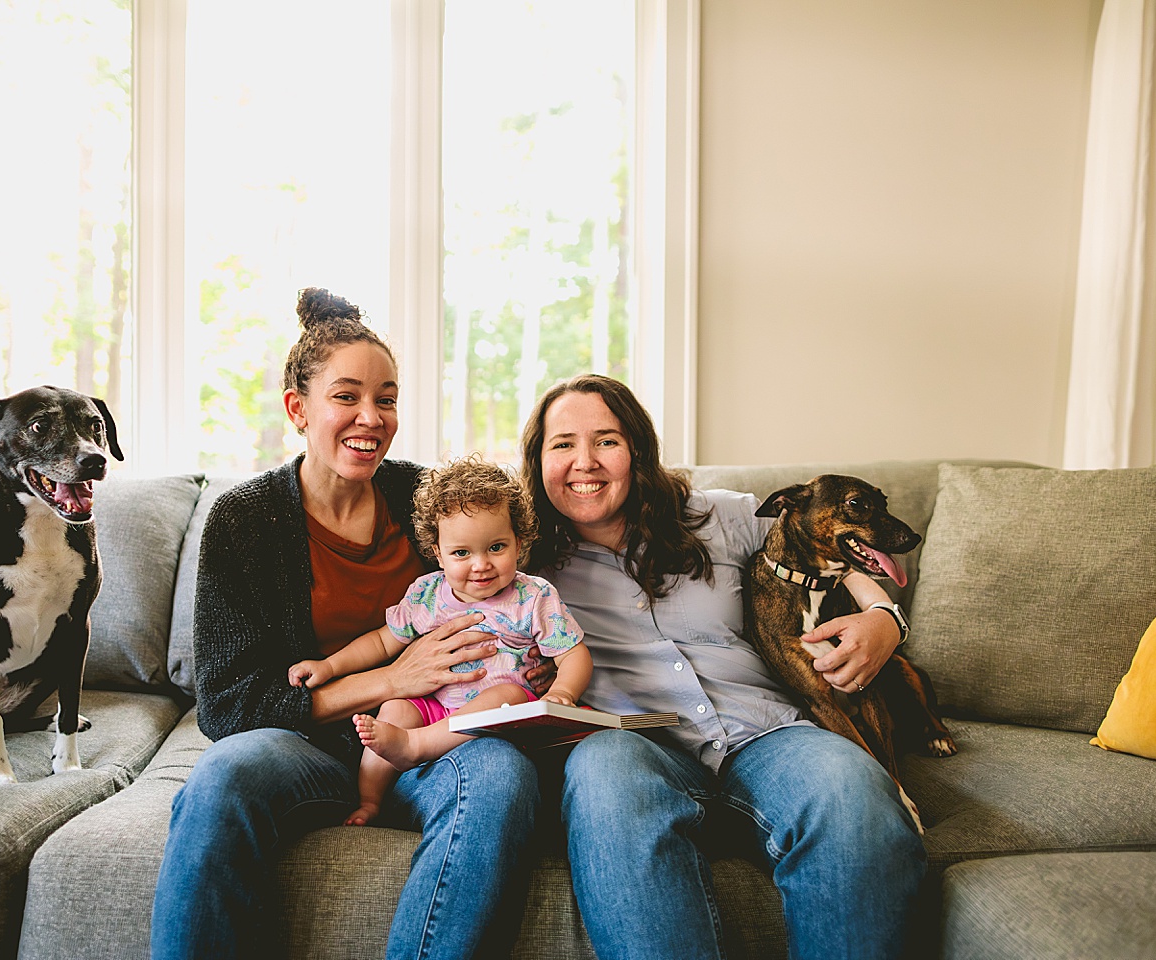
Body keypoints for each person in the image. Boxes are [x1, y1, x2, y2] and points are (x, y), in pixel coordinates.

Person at [149, 289, 541, 960]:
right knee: (221, 778)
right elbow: (228, 706)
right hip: (302, 746)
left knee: (503, 776)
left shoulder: (425, 498)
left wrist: (529, 662)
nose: (371, 417)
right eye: (347, 396)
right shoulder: (245, 518)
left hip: (428, 738)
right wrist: (390, 676)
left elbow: (512, 565)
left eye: (386, 399)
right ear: (297, 409)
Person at [520, 373, 926, 960]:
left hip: (767, 735)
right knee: (602, 773)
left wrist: (885, 618)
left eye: (606, 440)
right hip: (637, 742)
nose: (586, 462)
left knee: (851, 789)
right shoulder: (519, 556)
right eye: (562, 444)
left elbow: (825, 541)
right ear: (537, 461)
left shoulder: (715, 516)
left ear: (638, 450)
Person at [288, 455, 593, 827]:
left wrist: (562, 692)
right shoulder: (427, 594)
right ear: (438, 554)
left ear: (519, 541)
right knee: (396, 709)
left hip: (500, 716)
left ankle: (416, 746)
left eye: (496, 547)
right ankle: (369, 800)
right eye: (462, 553)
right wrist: (329, 666)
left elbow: (574, 654)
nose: (481, 564)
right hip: (434, 705)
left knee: (506, 698)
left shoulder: (532, 596)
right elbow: (384, 643)